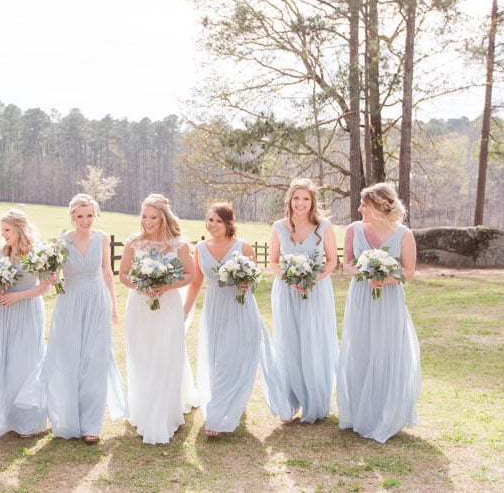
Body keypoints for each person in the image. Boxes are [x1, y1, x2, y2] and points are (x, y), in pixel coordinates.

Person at [184, 202, 294, 437]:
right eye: (210, 220)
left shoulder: (243, 247)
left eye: (218, 221)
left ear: (229, 223)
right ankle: (230, 403)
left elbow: (254, 282)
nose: (213, 225)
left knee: (233, 359)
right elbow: (195, 283)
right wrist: (183, 312)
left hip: (240, 306)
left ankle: (218, 418)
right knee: (218, 358)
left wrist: (247, 283)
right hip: (214, 309)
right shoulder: (201, 248)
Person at [32, 194, 127, 443]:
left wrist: (113, 306)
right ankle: (67, 419)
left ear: (95, 215)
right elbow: (51, 272)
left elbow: (107, 271)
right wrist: (51, 276)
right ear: (72, 217)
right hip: (70, 301)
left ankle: (91, 426)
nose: (85, 221)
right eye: (80, 216)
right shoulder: (61, 241)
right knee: (69, 358)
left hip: (97, 299)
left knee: (96, 360)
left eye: (89, 215)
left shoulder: (103, 238)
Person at [337, 182, 421, 443]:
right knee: (360, 349)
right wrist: (365, 272)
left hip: (390, 300)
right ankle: (361, 411)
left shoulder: (404, 235)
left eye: (365, 204)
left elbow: (409, 272)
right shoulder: (354, 229)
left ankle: (386, 413)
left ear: (379, 206)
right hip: (361, 297)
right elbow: (347, 264)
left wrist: (386, 279)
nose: (360, 208)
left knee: (386, 350)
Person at [118, 193, 199, 444]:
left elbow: (190, 274)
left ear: (163, 217)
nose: (148, 221)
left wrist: (165, 285)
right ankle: (144, 405)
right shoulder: (134, 243)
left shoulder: (178, 244)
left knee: (166, 353)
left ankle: (165, 410)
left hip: (168, 304)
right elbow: (122, 274)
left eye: (153, 217)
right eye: (144, 216)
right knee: (142, 353)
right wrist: (140, 286)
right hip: (140, 305)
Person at [268, 179, 339, 423]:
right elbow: (273, 262)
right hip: (286, 291)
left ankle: (314, 400)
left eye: (305, 199)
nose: (300, 203)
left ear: (312, 202)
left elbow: (332, 261)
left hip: (316, 291)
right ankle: (288, 401)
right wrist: (291, 278)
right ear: (289, 200)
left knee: (313, 340)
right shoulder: (279, 227)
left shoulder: (324, 227)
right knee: (289, 341)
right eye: (296, 198)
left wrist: (312, 278)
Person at [0, 209, 50, 438]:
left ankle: (29, 418)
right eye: (2, 230)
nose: (3, 234)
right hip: (6, 310)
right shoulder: (1, 250)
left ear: (19, 229)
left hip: (28, 308)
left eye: (7, 230)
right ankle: (8, 416)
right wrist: (0, 288)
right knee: (6, 358)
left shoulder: (37, 252)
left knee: (26, 358)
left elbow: (44, 287)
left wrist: (17, 297)